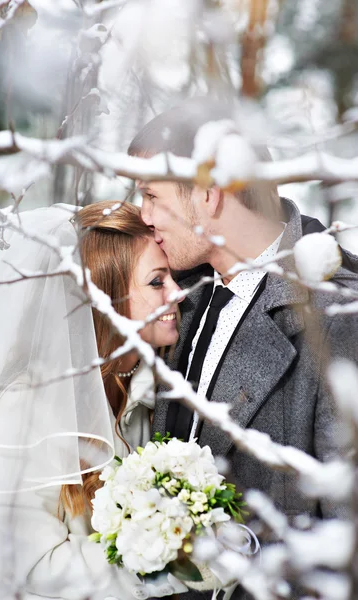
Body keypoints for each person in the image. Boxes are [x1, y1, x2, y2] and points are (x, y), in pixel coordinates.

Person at [128, 99, 358, 600]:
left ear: (209, 193)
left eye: (150, 195)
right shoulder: (173, 293)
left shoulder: (340, 323)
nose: (143, 216)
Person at [0, 201, 186, 600]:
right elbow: (35, 567)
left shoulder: (161, 383)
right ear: (107, 298)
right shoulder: (29, 407)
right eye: (156, 281)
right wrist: (171, 563)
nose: (178, 292)